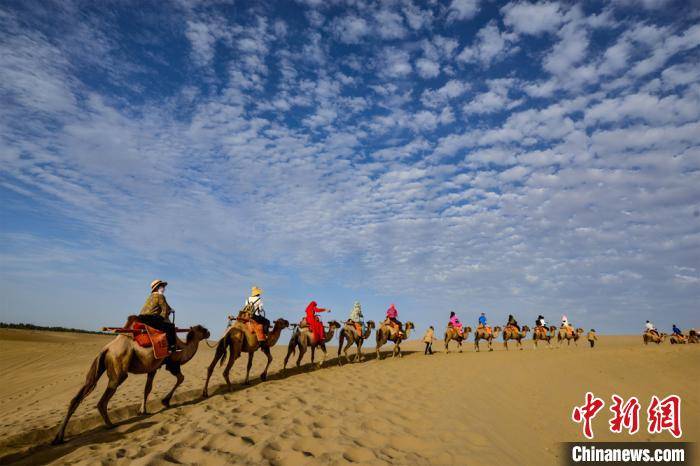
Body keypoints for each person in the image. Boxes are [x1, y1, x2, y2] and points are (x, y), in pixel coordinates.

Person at [138, 279, 179, 353]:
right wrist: (165, 318)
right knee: (170, 327)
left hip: (141, 318)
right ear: (157, 288)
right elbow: (165, 309)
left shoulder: (151, 296)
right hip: (150, 319)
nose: (164, 288)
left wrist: (170, 309)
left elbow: (164, 306)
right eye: (162, 286)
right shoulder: (160, 296)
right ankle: (172, 347)